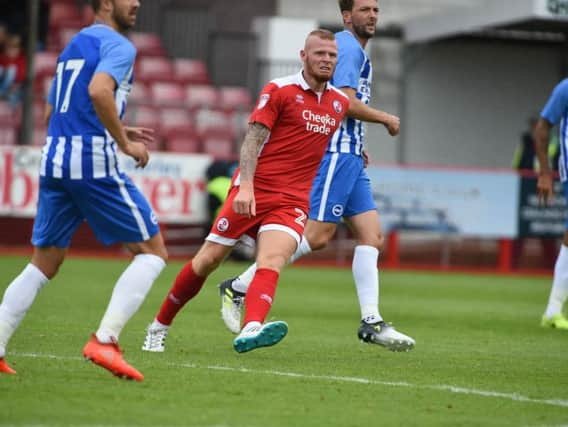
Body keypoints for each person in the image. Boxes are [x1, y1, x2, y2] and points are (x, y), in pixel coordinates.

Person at [215, 0, 415, 352]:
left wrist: (357, 141)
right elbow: (344, 101)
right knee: (318, 234)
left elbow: (337, 104)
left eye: (376, 10)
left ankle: (372, 321)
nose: (372, 15)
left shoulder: (354, 50)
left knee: (372, 236)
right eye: (365, 9)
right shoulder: (347, 48)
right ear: (346, 15)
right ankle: (239, 287)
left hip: (351, 153)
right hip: (337, 154)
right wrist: (384, 118)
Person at [142, 29, 349, 354]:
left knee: (272, 259)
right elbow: (252, 139)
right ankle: (159, 325)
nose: (326, 60)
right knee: (207, 261)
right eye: (320, 53)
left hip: (292, 200)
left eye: (332, 55)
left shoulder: (338, 103)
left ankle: (252, 326)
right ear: (303, 56)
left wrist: (358, 151)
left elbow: (320, 140)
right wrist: (246, 187)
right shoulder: (279, 90)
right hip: (255, 189)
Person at [0, 0, 168, 380]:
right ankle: (105, 341)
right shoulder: (119, 45)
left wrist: (121, 128)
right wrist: (124, 145)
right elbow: (97, 91)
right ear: (106, 3)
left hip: (55, 156)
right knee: (152, 252)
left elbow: (51, 112)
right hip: (90, 159)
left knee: (45, 261)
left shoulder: (74, 44)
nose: (137, 3)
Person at [535, 79, 568, 330]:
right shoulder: (565, 88)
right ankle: (553, 310)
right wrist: (545, 173)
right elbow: (543, 126)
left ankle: (553, 310)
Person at [511, 117, 558, 269]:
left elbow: (558, 165)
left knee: (547, 232)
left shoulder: (555, 144)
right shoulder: (525, 144)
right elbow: (517, 166)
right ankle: (512, 267)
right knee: (519, 232)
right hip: (526, 195)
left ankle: (551, 269)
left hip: (548, 195)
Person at [0, 33, 26, 107]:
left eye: (15, 47)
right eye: (9, 47)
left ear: (19, 49)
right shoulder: (2, 58)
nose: (11, 50)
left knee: (12, 69)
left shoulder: (21, 60)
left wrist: (16, 85)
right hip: (3, 86)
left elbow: (22, 76)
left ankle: (5, 96)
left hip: (15, 87)